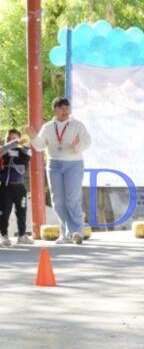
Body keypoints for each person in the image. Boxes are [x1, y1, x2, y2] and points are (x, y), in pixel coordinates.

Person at [28, 97, 92, 244]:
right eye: (61, 108)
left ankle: (76, 231)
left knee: (73, 198)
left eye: (67, 108)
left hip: (74, 163)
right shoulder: (48, 127)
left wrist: (77, 145)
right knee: (57, 200)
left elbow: (87, 141)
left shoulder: (77, 124)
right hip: (54, 164)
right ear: (55, 110)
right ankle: (65, 233)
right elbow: (40, 146)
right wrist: (33, 137)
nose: (65, 111)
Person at [1, 129, 32, 246]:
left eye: (13, 138)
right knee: (4, 213)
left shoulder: (23, 151)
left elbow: (28, 149)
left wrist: (24, 141)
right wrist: (9, 146)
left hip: (19, 188)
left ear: (18, 139)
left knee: (22, 212)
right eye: (8, 139)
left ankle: (22, 235)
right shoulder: (2, 151)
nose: (10, 141)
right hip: (5, 187)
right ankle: (4, 235)